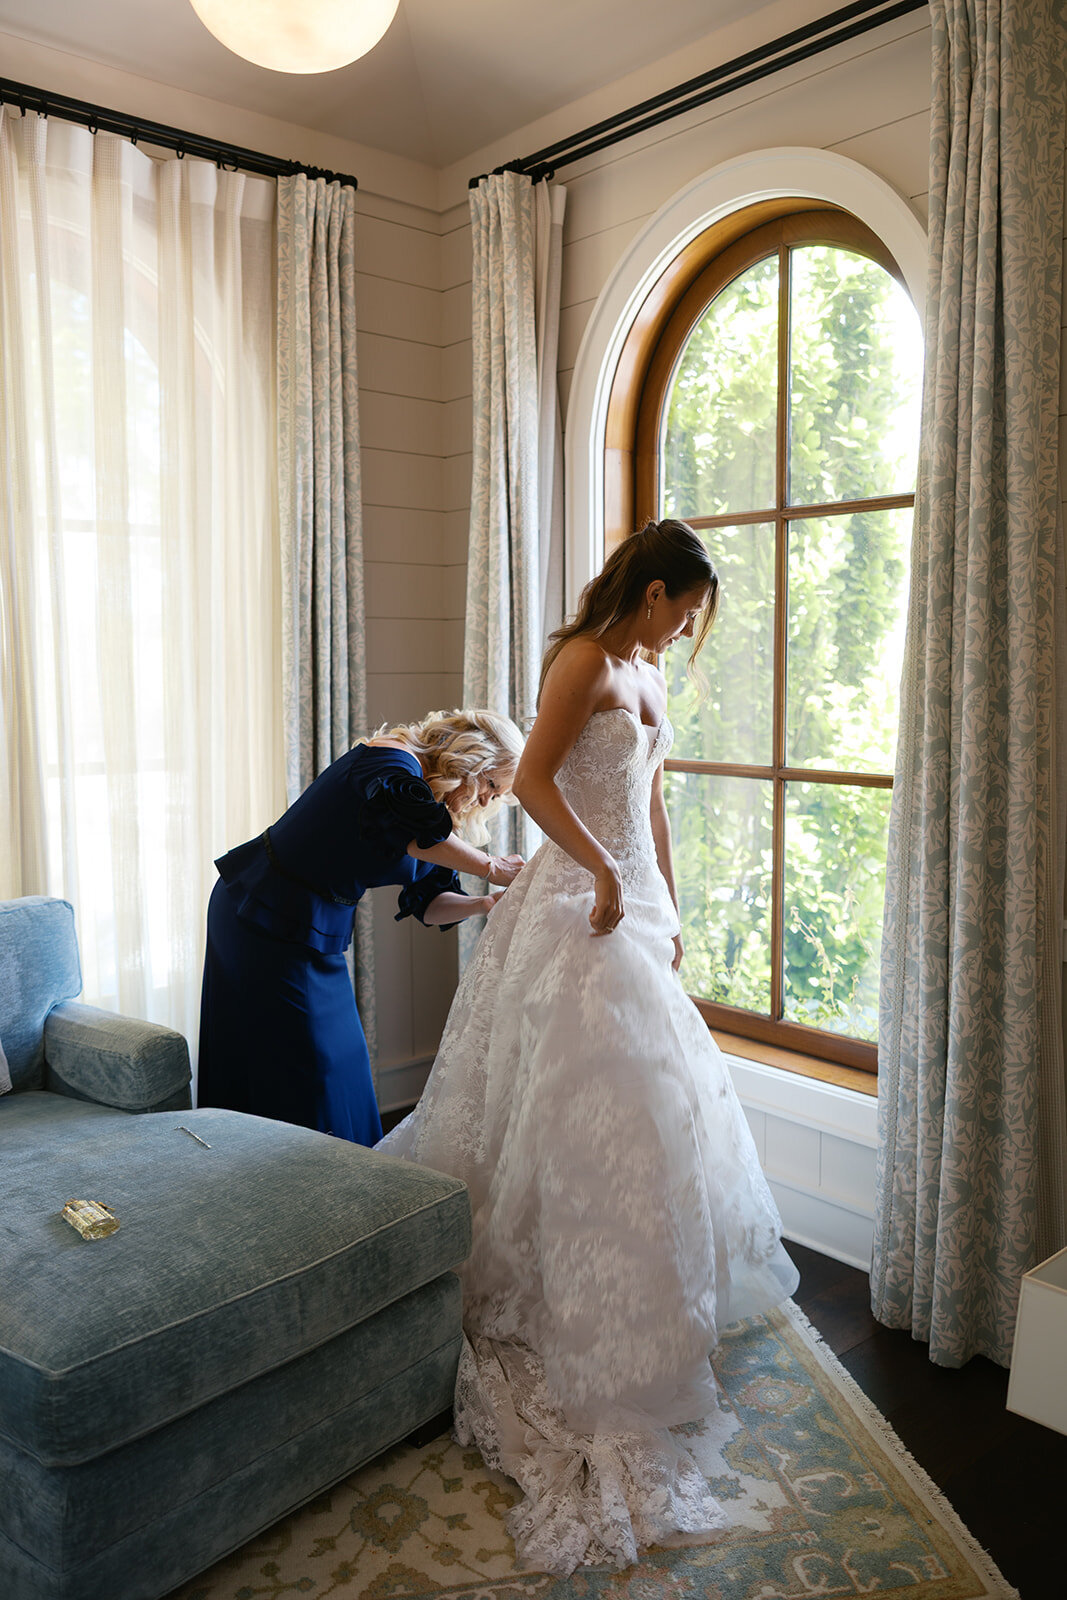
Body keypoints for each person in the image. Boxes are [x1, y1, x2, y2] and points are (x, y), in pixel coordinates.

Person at [377, 521, 800, 1574]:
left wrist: (662, 896)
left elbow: (647, 798)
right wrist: (601, 874)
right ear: (650, 590)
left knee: (656, 1107)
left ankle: (645, 1303)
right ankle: (538, 1288)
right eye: (683, 610)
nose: (684, 630)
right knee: (575, 1102)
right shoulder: (579, 659)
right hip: (573, 906)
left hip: (628, 906)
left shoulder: (648, 676)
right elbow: (532, 787)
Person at [197, 708, 525, 1145]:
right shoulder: (391, 759)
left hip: (315, 932)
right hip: (261, 913)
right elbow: (413, 831)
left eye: (497, 796)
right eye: (491, 786)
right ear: (473, 758)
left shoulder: (431, 812)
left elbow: (428, 904)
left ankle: (349, 1182)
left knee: (340, 1064)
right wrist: (490, 866)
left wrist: (484, 903)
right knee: (304, 1065)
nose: (487, 802)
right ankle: (272, 1169)